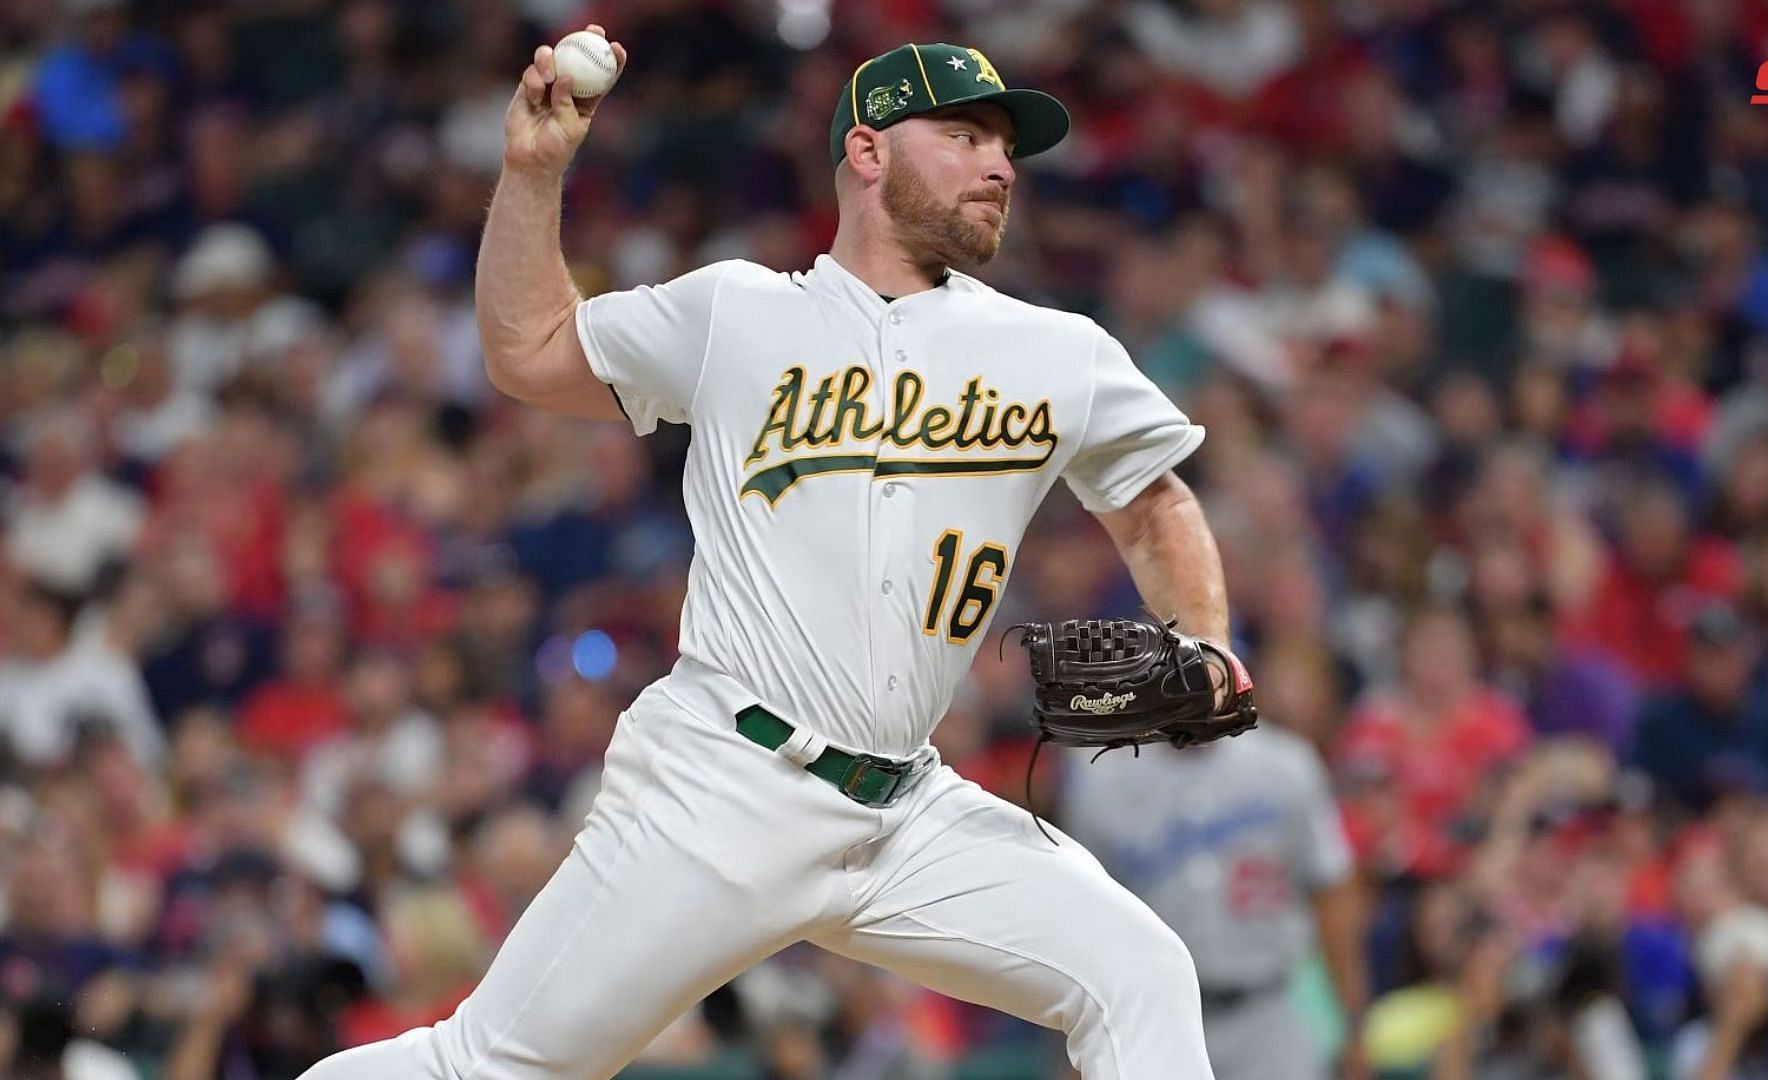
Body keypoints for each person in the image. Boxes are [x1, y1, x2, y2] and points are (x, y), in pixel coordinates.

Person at [301, 28, 1241, 1080]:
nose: (999, 166)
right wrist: (532, 174)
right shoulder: (736, 314)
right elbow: (528, 352)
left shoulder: (1056, 351)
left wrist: (1203, 637)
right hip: (728, 782)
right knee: (486, 1066)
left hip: (909, 813)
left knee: (1138, 972)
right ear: (869, 152)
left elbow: (1152, 501)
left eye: (1006, 147)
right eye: (966, 134)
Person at [1058, 720, 1370, 1079]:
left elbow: (1333, 899)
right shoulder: (1103, 785)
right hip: (1155, 1020)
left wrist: (1353, 1024)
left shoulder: (1284, 763)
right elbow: (1082, 931)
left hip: (1267, 1014)